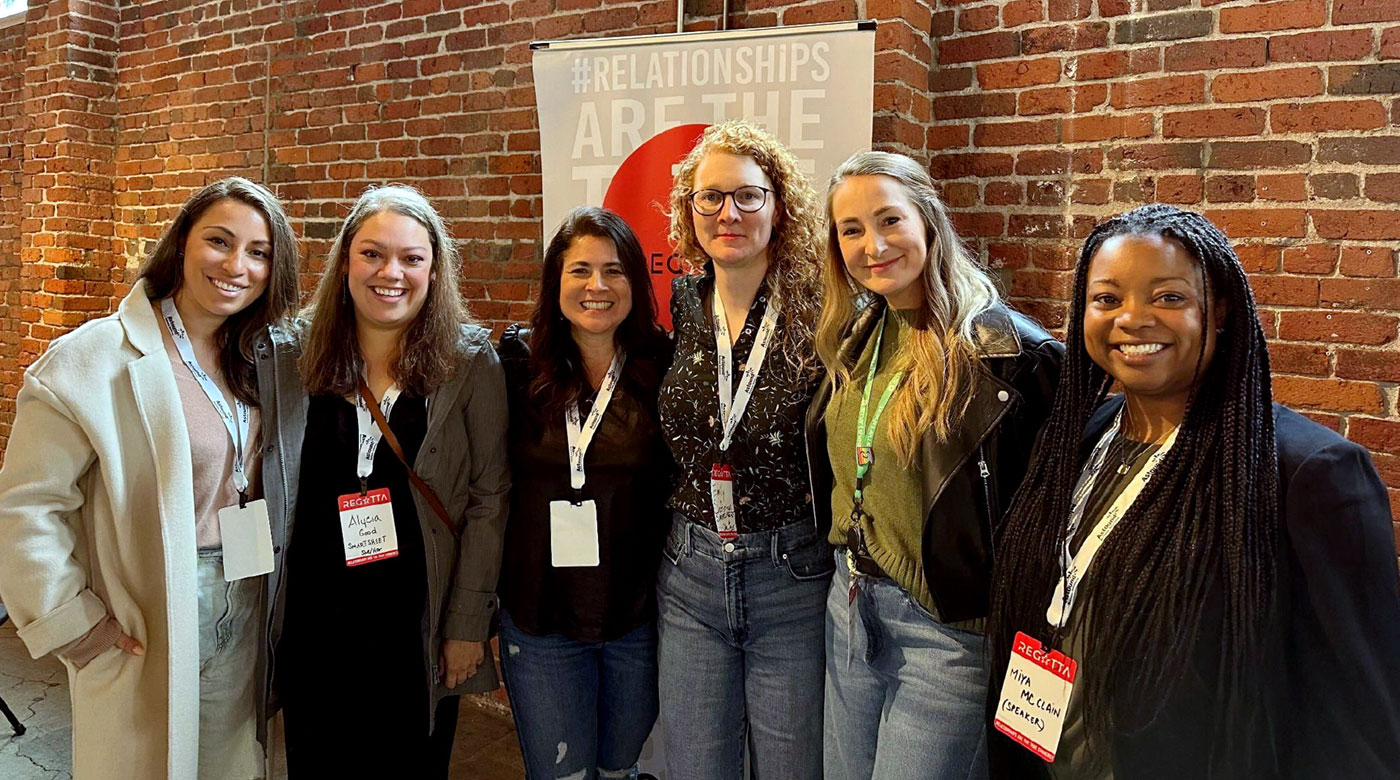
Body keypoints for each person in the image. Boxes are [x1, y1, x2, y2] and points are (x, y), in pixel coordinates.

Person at [987, 204, 1400, 779]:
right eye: (1107, 299)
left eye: (1169, 298)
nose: (1132, 319)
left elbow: (1358, 723)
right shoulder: (1080, 438)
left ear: (1220, 309)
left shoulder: (1308, 474)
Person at [0, 177, 299, 780]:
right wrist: (72, 624)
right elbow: (27, 505)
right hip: (149, 603)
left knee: (230, 764)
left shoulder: (261, 356)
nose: (236, 265)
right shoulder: (91, 359)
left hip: (245, 596)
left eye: (259, 252)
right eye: (219, 240)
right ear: (182, 243)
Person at [811, 151, 1062, 780]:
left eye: (889, 220)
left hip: (948, 635)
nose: (873, 245)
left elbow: (1047, 523)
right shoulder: (856, 334)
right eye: (851, 229)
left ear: (928, 220)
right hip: (849, 607)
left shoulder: (1007, 356)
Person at [270, 185, 510, 778]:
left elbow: (489, 500)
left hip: (416, 627)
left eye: (411, 258)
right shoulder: (292, 355)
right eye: (372, 254)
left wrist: (466, 626)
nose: (390, 273)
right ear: (346, 260)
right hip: (315, 622)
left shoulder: (469, 362)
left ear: (434, 268)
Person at [654, 119, 828, 780]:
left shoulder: (822, 311)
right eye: (711, 197)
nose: (729, 212)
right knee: (697, 765)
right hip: (689, 572)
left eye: (749, 196)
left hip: (791, 573)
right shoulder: (684, 304)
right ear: (689, 209)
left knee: (790, 767)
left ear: (778, 208)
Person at [495, 206, 674, 779]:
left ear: (635, 284)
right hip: (540, 617)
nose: (597, 286)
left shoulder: (662, 366)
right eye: (580, 271)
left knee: (619, 772)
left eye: (614, 270)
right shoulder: (514, 368)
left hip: (636, 617)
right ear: (555, 282)